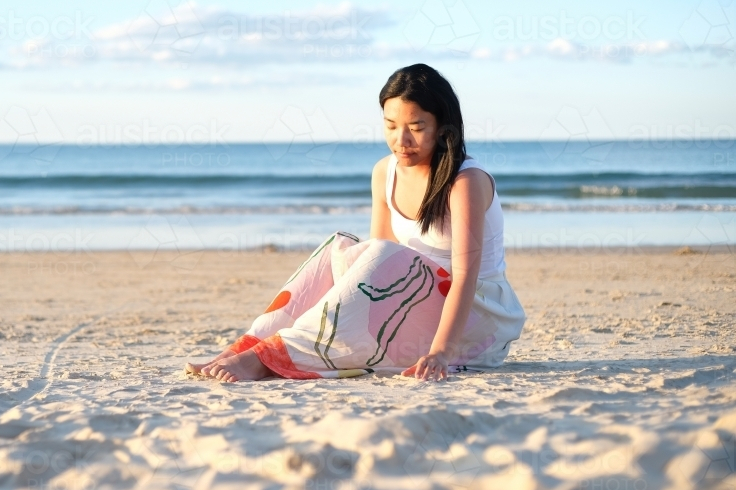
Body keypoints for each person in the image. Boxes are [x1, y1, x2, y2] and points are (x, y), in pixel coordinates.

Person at [185, 63, 526, 382]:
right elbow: (373, 261)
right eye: (391, 126)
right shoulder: (384, 172)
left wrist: (440, 352)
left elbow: (465, 276)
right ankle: (246, 348)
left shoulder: (466, 182)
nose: (401, 140)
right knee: (341, 249)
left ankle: (264, 359)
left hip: (475, 319)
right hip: (414, 300)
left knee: (376, 255)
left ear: (442, 127)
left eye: (417, 127)